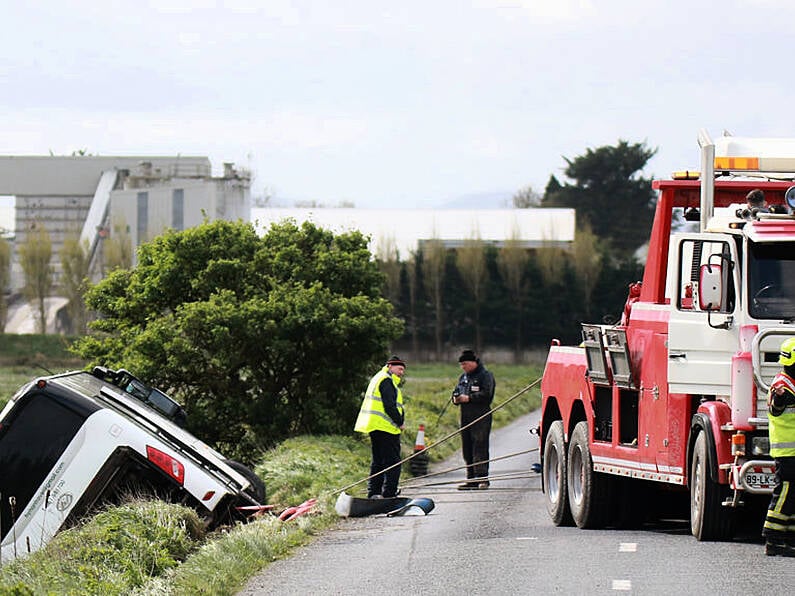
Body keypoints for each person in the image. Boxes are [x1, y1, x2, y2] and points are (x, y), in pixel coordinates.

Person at [354, 355, 406, 499]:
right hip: (386, 427)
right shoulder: (386, 381)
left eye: (403, 370)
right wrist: (400, 422)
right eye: (399, 368)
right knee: (393, 462)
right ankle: (389, 494)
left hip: (375, 426)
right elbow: (389, 406)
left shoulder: (378, 377)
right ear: (390, 366)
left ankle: (374, 493)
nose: (401, 372)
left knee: (378, 461)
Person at [762, 337, 795, 557]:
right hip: (787, 452)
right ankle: (772, 537)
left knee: (792, 495)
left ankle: (788, 537)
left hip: (792, 451)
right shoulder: (782, 386)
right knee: (784, 493)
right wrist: (779, 401)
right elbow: (776, 407)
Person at [451, 349, 495, 490]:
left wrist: (469, 398)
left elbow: (487, 395)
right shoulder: (463, 378)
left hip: (481, 415)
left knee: (480, 446)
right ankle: (471, 479)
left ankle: (482, 479)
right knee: (467, 448)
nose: (463, 367)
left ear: (473, 362)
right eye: (461, 365)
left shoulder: (485, 376)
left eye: (465, 364)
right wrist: (456, 399)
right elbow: (456, 392)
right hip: (465, 416)